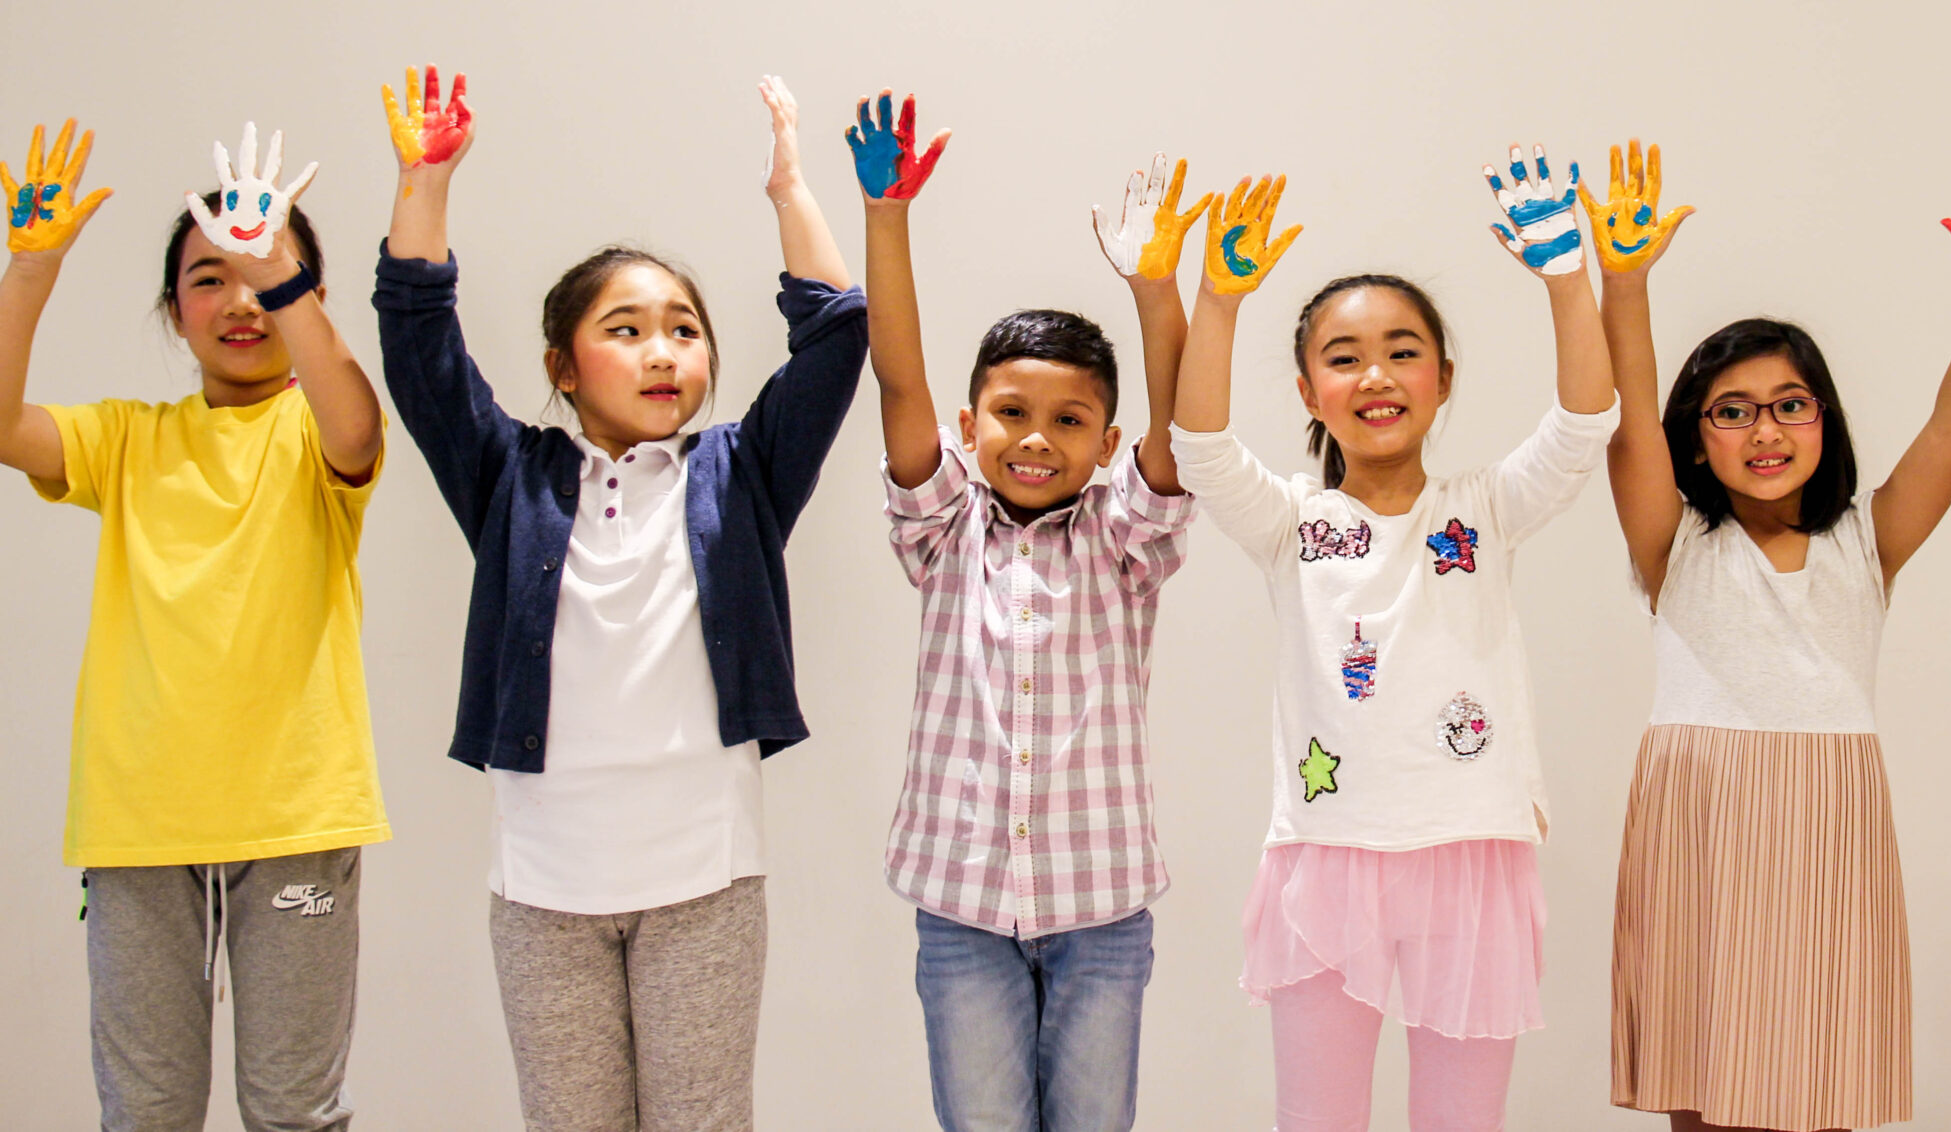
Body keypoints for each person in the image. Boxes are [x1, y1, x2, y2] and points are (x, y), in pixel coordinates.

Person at [372, 67, 868, 1131]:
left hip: (705, 886)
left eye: (684, 329)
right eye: (628, 329)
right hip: (545, 892)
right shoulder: (510, 478)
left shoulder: (739, 475)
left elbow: (836, 339)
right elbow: (419, 350)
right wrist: (424, 182)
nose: (663, 353)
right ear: (563, 365)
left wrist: (789, 191)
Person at [1597, 141, 1951, 1131]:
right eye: (1732, 412)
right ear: (1696, 436)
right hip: (1700, 814)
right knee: (1704, 1082)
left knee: (1821, 1078)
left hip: (1827, 821)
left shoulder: (1865, 541)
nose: (1765, 432)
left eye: (1789, 406)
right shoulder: (1676, 542)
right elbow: (1628, 430)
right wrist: (1623, 285)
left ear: (1824, 418)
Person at [1169, 147, 1616, 1132]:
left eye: (1402, 351)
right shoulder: (1290, 522)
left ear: (1443, 379)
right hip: (1326, 855)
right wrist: (1218, 301)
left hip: (1473, 852)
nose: (1375, 375)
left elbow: (1585, 422)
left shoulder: (1487, 508)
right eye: (1344, 357)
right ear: (1307, 390)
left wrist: (1565, 279)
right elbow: (1198, 449)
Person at [3, 115, 387, 1132]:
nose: (241, 298)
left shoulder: (317, 426)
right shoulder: (126, 440)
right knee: (148, 1111)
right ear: (174, 313)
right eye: (209, 277)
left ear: (307, 295)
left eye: (264, 271)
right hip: (138, 828)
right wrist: (30, 272)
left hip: (297, 824)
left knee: (295, 1109)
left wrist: (278, 274)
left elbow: (358, 427)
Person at [861, 99, 1200, 1132]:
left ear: (1107, 443)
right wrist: (887, 218)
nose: (1038, 439)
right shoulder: (942, 528)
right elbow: (899, 379)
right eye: (1011, 414)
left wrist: (1155, 290)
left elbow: (1182, 423)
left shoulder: (1125, 539)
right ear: (970, 428)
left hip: (1101, 911)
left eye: (1069, 420)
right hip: (962, 909)